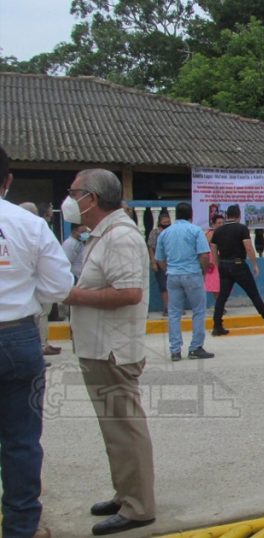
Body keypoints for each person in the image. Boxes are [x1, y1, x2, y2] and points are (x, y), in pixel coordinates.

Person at [60, 168, 157, 535]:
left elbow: (128, 292)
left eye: (74, 192)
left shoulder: (120, 237)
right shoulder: (104, 234)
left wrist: (73, 295)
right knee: (115, 429)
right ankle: (126, 494)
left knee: (125, 428)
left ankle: (138, 506)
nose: (69, 200)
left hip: (112, 351)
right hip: (101, 349)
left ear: (92, 198)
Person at [0, 145, 74, 538]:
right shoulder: (28, 224)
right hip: (15, 337)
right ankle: (20, 526)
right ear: (8, 181)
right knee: (21, 440)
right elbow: (59, 286)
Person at [210, 204, 264, 336]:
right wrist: (255, 264)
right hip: (238, 265)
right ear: (238, 215)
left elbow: (214, 250)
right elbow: (249, 248)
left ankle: (217, 325)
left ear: (227, 215)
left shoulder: (218, 231)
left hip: (224, 265)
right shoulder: (241, 229)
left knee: (222, 297)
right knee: (253, 294)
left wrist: (218, 264)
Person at [156, 202, 214, 361]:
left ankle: (175, 351)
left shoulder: (165, 233)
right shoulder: (195, 230)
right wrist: (203, 270)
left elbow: (160, 259)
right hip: (192, 273)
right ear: (191, 215)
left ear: (176, 215)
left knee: (174, 313)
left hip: (173, 275)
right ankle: (195, 348)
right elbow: (203, 255)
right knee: (198, 311)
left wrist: (168, 269)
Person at [21, 203, 63, 356]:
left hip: (28, 284)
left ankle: (41, 345)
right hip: (39, 281)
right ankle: (42, 346)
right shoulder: (38, 230)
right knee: (42, 314)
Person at [147, 210, 171, 316]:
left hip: (172, 262)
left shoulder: (172, 231)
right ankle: (167, 307)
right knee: (163, 286)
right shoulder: (155, 232)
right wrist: (153, 261)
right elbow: (151, 247)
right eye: (164, 222)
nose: (166, 224)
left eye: (167, 222)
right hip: (159, 262)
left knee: (173, 286)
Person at [204, 214, 223, 306]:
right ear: (213, 224)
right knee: (215, 284)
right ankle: (219, 305)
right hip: (212, 261)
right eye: (219, 223)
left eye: (222, 223)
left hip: (223, 260)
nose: (221, 224)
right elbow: (205, 249)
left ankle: (221, 304)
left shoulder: (225, 233)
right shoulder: (209, 234)